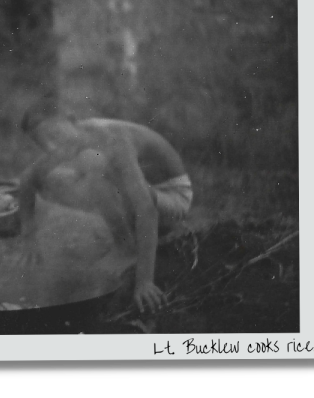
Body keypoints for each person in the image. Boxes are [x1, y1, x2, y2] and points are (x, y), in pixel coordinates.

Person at [16, 98, 193, 314]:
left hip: (172, 197)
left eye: (54, 136)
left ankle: (130, 251)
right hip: (144, 194)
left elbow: (146, 209)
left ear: (73, 120)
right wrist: (28, 235)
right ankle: (124, 243)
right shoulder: (70, 140)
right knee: (61, 179)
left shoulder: (113, 140)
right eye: (41, 143)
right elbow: (27, 180)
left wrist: (144, 282)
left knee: (93, 164)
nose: (51, 147)